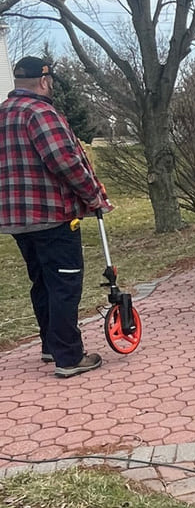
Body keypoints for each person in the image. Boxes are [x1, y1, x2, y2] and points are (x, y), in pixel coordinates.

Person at [0, 56, 112, 377]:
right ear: (45, 81)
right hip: (51, 215)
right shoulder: (40, 112)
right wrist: (94, 196)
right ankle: (69, 357)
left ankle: (51, 344)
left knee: (43, 281)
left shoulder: (3, 114)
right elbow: (65, 161)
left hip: (16, 220)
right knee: (64, 282)